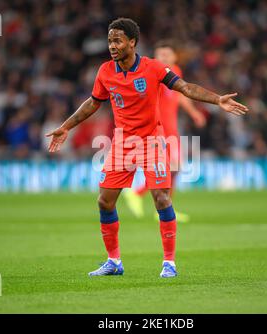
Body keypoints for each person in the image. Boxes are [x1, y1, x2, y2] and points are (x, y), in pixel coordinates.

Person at [46, 18, 248, 278]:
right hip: (122, 143)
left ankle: (169, 263)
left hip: (152, 141)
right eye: (109, 41)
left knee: (161, 198)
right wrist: (66, 126)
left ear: (132, 42)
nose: (112, 46)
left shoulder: (154, 68)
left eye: (117, 40)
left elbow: (185, 88)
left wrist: (216, 98)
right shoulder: (105, 71)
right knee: (104, 202)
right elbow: (93, 103)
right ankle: (114, 261)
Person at [124, 39, 207, 222]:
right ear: (154, 57)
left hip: (171, 128)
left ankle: (161, 206)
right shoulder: (151, 73)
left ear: (174, 57)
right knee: (169, 167)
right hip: (157, 129)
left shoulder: (175, 71)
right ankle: (141, 196)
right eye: (160, 55)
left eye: (167, 54)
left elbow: (179, 95)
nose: (163, 57)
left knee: (175, 168)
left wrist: (194, 112)